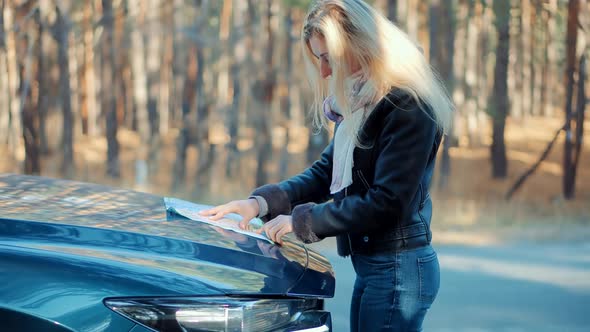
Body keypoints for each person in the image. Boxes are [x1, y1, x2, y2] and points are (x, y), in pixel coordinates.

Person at [200, 0, 454, 330]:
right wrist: (257, 203)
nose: (324, 71)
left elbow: (387, 203)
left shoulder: (407, 105)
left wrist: (302, 221)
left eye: (326, 57)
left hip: (398, 269)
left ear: (358, 44)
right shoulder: (364, 101)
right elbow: (324, 174)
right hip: (378, 266)